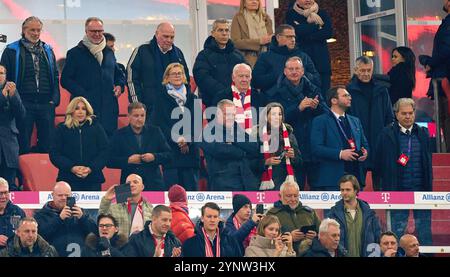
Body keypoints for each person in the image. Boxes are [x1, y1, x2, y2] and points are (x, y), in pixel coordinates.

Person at [373, 98, 433, 246]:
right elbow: (378, 163)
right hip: (397, 191)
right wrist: (380, 187)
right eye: (404, 113)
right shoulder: (386, 134)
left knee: (424, 232)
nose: (408, 116)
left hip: (421, 190)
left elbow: (428, 161)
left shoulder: (424, 133)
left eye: (411, 113)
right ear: (396, 114)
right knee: (397, 231)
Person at [0, 16, 60, 154]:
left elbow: (55, 76)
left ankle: (44, 174)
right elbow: (3, 77)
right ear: (23, 30)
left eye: (38, 30)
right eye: (32, 29)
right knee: (23, 144)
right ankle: (22, 175)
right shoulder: (11, 50)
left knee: (48, 145)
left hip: (46, 104)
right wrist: (11, 99)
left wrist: (54, 100)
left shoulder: (48, 50)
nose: (36, 33)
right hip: (23, 103)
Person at [61, 17, 125, 137]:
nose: (97, 34)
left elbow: (119, 74)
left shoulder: (109, 52)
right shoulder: (75, 53)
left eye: (99, 31)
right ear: (86, 31)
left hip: (108, 111)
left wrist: (120, 86)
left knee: (108, 148)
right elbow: (65, 80)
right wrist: (83, 94)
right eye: (93, 31)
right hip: (85, 110)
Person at [268, 57, 323, 190]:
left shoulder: (313, 89)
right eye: (291, 69)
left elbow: (324, 114)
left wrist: (317, 107)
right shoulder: (276, 92)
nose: (294, 72)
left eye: (297, 69)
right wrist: (298, 108)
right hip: (289, 146)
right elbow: (275, 119)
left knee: (316, 187)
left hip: (312, 144)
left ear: (303, 71)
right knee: (293, 187)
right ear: (285, 72)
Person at [346, 56, 394, 185]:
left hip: (379, 141)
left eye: (369, 70)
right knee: (357, 185)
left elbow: (389, 117)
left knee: (381, 184)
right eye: (362, 70)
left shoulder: (382, 90)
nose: (366, 74)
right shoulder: (348, 91)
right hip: (357, 143)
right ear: (356, 70)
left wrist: (387, 138)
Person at [152, 63, 200, 191]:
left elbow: (197, 124)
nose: (177, 76)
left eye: (180, 73)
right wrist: (177, 139)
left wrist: (187, 140)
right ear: (167, 77)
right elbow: (158, 124)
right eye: (173, 73)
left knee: (191, 194)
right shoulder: (160, 98)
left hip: (190, 154)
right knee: (172, 194)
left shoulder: (193, 98)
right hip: (170, 153)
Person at [310, 87, 369, 190]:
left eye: (349, 95)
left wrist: (365, 153)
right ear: (334, 100)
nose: (349, 98)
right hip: (332, 179)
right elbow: (316, 148)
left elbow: (365, 144)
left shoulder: (355, 121)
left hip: (355, 178)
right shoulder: (320, 121)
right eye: (345, 95)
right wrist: (340, 154)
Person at [127, 22, 190, 116]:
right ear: (156, 34)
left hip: (175, 109)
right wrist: (137, 104)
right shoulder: (142, 51)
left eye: (172, 37)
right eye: (165, 36)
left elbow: (185, 80)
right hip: (149, 109)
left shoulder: (178, 53)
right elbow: (131, 79)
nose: (169, 40)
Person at [197, 99, 260, 191]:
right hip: (223, 183)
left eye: (233, 115)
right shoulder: (208, 132)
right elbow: (220, 151)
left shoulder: (236, 128)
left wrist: (232, 140)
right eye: (227, 114)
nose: (231, 118)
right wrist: (243, 152)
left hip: (247, 182)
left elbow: (254, 146)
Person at [107, 102, 172, 190]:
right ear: (128, 116)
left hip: (154, 184)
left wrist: (154, 157)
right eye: (136, 116)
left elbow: (169, 155)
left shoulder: (155, 131)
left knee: (157, 204)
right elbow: (109, 161)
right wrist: (128, 160)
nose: (140, 119)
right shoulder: (119, 134)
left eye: (142, 115)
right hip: (126, 185)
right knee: (122, 204)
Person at [49, 96, 109, 191]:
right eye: (77, 108)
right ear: (71, 111)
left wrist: (90, 168)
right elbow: (54, 154)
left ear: (87, 111)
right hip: (68, 179)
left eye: (83, 109)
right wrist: (72, 167)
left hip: (93, 179)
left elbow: (105, 152)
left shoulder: (97, 128)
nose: (80, 112)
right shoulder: (61, 129)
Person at [34, 181, 97, 257]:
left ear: (71, 195)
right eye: (60, 195)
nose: (64, 198)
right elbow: (39, 235)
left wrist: (83, 218)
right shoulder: (41, 214)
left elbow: (95, 232)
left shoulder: (81, 213)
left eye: (67, 195)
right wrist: (59, 219)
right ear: (52, 195)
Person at [252, 24, 320, 94]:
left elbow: (317, 80)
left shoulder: (303, 56)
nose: (293, 40)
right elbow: (256, 82)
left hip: (300, 99)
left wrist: (300, 73)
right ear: (278, 37)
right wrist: (278, 74)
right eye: (289, 37)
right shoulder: (265, 57)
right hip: (274, 100)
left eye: (294, 37)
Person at [193, 19, 245, 107]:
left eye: (226, 30)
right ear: (213, 33)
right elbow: (202, 78)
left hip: (238, 101)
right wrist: (224, 93)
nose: (224, 33)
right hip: (213, 103)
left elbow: (247, 73)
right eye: (220, 30)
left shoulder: (238, 55)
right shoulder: (204, 55)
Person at [286, 0, 333, 96]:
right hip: (303, 63)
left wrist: (306, 34)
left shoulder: (322, 13)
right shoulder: (291, 14)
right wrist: (316, 26)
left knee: (323, 96)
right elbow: (296, 32)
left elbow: (328, 32)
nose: (308, 0)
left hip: (322, 63)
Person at [421, 0, 450, 152]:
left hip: (445, 81)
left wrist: (430, 62)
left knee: (446, 118)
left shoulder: (448, 24)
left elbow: (446, 50)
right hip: (443, 79)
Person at [328, 175, 381, 257]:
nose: (344, 193)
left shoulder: (370, 214)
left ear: (356, 190)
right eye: (342, 190)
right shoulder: (333, 214)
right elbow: (328, 241)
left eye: (348, 190)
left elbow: (378, 240)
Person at [254, 102, 301, 191]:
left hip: (285, 184)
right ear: (266, 117)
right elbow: (250, 162)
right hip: (263, 184)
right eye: (273, 114)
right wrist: (265, 162)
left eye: (279, 114)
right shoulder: (257, 135)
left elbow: (300, 163)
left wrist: (293, 156)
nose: (277, 117)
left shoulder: (289, 135)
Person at [266, 181, 320, 255]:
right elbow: (266, 239)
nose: (293, 199)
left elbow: (323, 234)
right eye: (289, 196)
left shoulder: (310, 212)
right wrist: (289, 237)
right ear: (280, 196)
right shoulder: (271, 214)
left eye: (295, 196)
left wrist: (315, 236)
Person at [213, 63, 267, 133]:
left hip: (254, 139)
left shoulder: (259, 97)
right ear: (233, 77)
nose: (244, 79)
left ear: (251, 78)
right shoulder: (221, 96)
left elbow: (263, 122)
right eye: (241, 76)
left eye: (247, 76)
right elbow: (215, 121)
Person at [0, 64, 25, 189]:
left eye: (1, 73)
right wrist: (2, 97)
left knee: (9, 186)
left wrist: (13, 97)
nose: (0, 76)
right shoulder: (3, 93)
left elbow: (21, 115)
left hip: (9, 146)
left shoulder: (12, 90)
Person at [231, 0, 274, 68]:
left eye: (257, 0)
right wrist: (259, 41)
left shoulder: (266, 18)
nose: (254, 1)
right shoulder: (238, 17)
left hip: (266, 59)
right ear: (244, 3)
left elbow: (271, 40)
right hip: (246, 60)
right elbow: (235, 42)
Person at [0, 178, 26, 250]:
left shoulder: (18, 212)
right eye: (0, 193)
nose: (3, 196)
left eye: (6, 192)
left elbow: (26, 235)